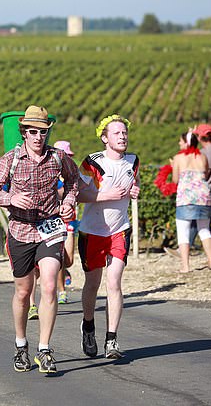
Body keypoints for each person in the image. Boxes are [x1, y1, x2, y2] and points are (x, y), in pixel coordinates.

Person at [0, 105, 78, 373]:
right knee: (24, 292)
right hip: (20, 230)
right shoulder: (10, 159)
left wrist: (68, 202)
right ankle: (21, 345)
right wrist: (9, 198)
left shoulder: (58, 158)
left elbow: (73, 181)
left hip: (50, 227)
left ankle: (45, 349)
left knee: (49, 285)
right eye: (33, 131)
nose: (38, 137)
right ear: (24, 132)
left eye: (43, 132)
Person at [77, 114, 140, 360]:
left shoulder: (133, 161)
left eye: (124, 132)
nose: (122, 136)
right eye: (116, 133)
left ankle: (111, 340)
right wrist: (105, 195)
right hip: (93, 231)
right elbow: (78, 194)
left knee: (114, 283)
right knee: (93, 284)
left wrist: (135, 190)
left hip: (119, 230)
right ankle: (88, 325)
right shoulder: (92, 162)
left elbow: (135, 185)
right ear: (105, 138)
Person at [171, 130, 211, 273]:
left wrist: (173, 167)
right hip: (204, 197)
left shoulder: (178, 158)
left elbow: (175, 180)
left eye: (181, 141)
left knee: (183, 231)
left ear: (187, 142)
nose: (179, 143)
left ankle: (185, 266)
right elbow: (206, 174)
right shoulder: (202, 157)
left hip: (186, 198)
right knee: (204, 229)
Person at [54, 140, 78, 304]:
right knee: (60, 259)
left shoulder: (71, 176)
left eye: (70, 156)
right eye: (66, 156)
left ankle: (64, 273)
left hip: (71, 220)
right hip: (54, 223)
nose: (68, 160)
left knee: (69, 260)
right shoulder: (52, 176)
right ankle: (61, 291)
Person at [190, 123, 211, 266]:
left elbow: (205, 173)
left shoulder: (210, 151)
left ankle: (185, 247)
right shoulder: (209, 150)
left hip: (209, 191)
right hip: (210, 190)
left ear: (201, 136)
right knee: (204, 222)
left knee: (201, 221)